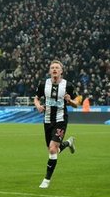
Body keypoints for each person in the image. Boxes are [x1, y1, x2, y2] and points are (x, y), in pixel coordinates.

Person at [33, 60, 77, 189]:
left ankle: (46, 179)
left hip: (61, 120)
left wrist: (70, 101)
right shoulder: (43, 84)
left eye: (57, 68)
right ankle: (68, 143)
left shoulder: (68, 85)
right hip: (47, 120)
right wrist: (38, 106)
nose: (54, 69)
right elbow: (36, 97)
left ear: (61, 71)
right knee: (54, 150)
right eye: (52, 68)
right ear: (49, 71)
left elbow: (76, 103)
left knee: (52, 149)